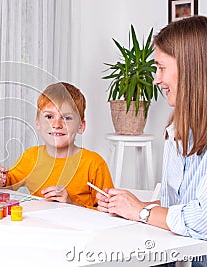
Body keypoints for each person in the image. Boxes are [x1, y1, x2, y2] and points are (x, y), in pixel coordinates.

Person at [96, 16, 207, 266]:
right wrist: (132, 206)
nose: (156, 79)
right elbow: (177, 205)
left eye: (162, 67)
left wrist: (141, 212)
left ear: (190, 68)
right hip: (181, 255)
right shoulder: (176, 131)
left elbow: (202, 219)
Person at [0, 82, 114, 208]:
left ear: (81, 126)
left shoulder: (94, 163)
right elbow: (7, 186)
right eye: (49, 116)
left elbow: (109, 211)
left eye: (67, 118)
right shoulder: (31, 157)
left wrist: (71, 204)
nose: (57, 124)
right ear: (37, 123)